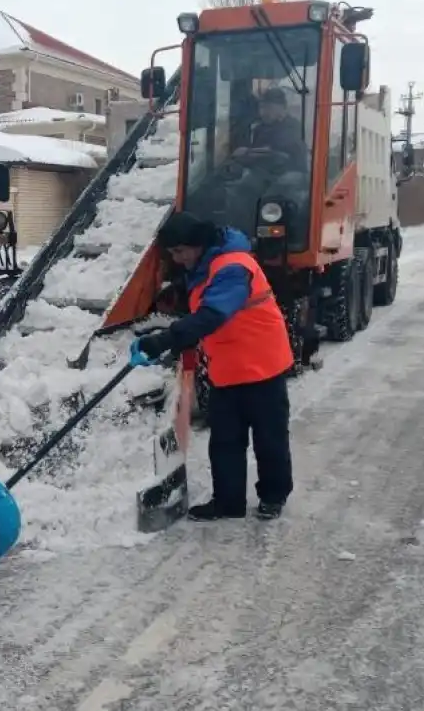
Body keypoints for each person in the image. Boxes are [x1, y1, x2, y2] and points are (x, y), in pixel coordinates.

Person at [128, 212, 295, 521]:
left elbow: (213, 315)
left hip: (262, 365)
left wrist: (165, 339)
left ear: (197, 244)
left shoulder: (233, 267)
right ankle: (228, 503)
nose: (177, 259)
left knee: (268, 437)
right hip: (229, 367)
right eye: (172, 253)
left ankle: (273, 496)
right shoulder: (205, 266)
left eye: (179, 251)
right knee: (225, 439)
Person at [233, 86, 307, 172]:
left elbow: (272, 149)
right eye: (261, 108)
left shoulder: (293, 126)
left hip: (289, 173)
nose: (263, 113)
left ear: (283, 108)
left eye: (269, 108)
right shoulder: (260, 128)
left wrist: (247, 151)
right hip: (265, 173)